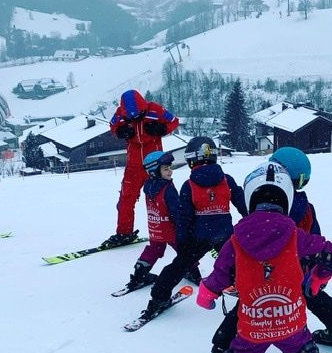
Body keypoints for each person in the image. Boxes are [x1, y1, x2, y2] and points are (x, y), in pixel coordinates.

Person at [184, 147, 332, 353]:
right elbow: (318, 241)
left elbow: (233, 257)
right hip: (295, 281)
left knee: (243, 317)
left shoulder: (254, 214)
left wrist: (212, 288)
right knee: (308, 312)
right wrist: (316, 275)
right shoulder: (301, 205)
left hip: (260, 284)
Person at [140, 136, 247, 319]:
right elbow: (243, 203)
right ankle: (252, 292)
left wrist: (183, 243)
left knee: (178, 267)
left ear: (191, 160)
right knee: (239, 264)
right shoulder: (227, 180)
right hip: (225, 235)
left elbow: (184, 219)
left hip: (199, 237)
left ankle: (159, 298)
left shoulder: (188, 186)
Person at [102, 90, 179, 248]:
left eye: (139, 114)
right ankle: (124, 233)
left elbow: (174, 121)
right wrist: (119, 131)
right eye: (131, 117)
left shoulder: (155, 110)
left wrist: (162, 129)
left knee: (165, 199)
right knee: (126, 199)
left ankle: (177, 229)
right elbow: (113, 125)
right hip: (134, 166)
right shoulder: (120, 114)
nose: (136, 118)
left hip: (156, 164)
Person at [121, 150, 201, 291]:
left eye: (170, 168)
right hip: (171, 230)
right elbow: (176, 211)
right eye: (165, 169)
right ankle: (194, 274)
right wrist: (185, 226)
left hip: (155, 228)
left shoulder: (148, 186)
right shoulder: (167, 188)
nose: (170, 171)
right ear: (153, 171)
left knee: (153, 250)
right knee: (186, 251)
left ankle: (139, 274)